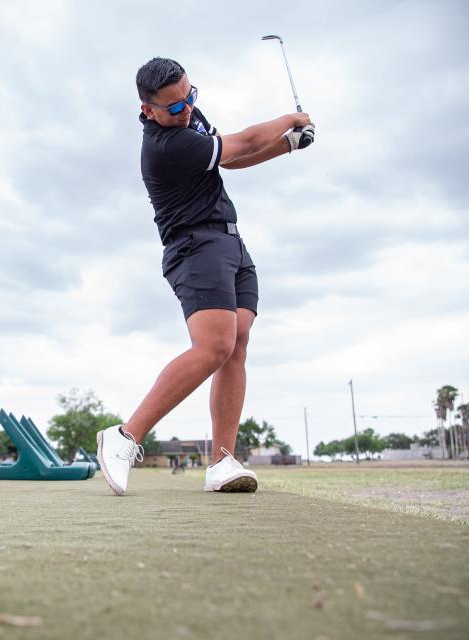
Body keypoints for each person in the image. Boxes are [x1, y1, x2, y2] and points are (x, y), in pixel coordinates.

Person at [96, 57, 315, 496]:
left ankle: (222, 463)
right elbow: (248, 138)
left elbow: (231, 160)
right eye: (175, 107)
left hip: (230, 241)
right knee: (214, 345)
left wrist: (288, 145)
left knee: (237, 343)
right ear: (148, 110)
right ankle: (124, 437)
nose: (188, 110)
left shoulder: (188, 119)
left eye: (190, 97)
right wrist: (290, 120)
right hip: (194, 245)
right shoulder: (166, 146)